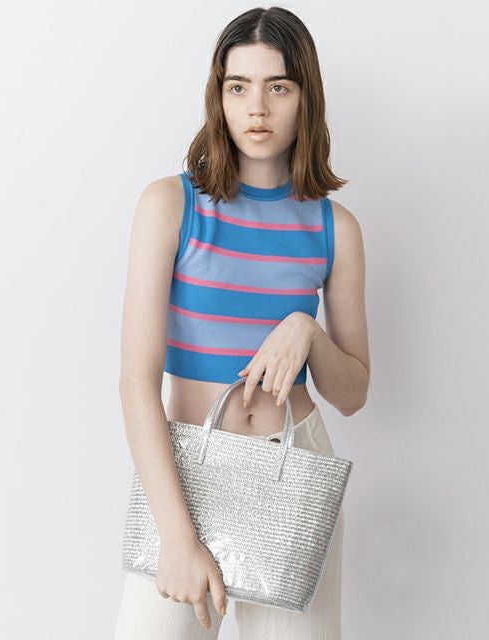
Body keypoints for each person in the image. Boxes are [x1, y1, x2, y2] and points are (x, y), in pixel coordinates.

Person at [114, 6, 370, 639]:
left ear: (305, 97)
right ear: (219, 96)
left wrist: (306, 331)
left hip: (293, 472)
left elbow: (353, 393)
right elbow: (136, 382)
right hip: (183, 477)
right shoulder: (170, 205)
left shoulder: (335, 228)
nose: (257, 108)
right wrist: (178, 538)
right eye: (239, 86)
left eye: (278, 86)